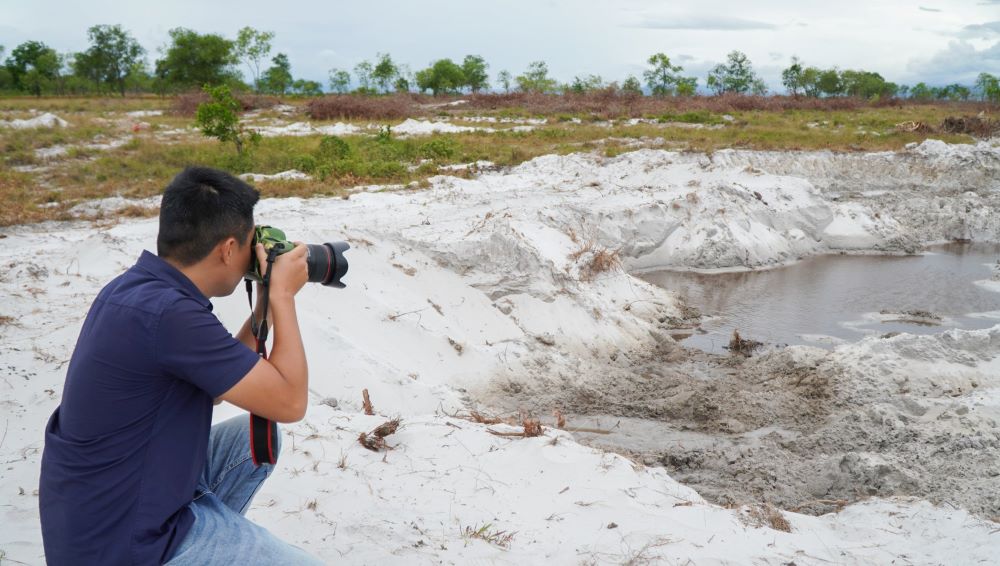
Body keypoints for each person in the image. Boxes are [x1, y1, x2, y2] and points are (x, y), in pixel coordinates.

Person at [39, 167, 323, 565]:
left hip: (91, 513)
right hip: (127, 543)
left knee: (249, 440)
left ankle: (214, 534)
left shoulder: (136, 290)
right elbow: (290, 402)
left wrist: (263, 306)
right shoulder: (170, 316)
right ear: (227, 250)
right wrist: (284, 297)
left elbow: (222, 380)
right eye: (247, 245)